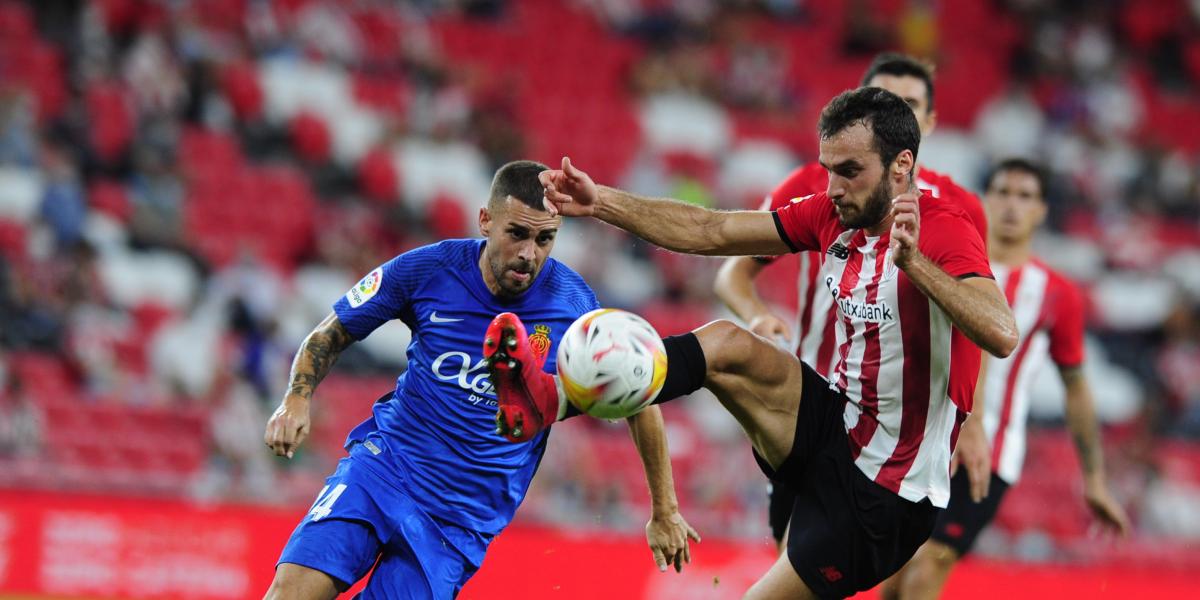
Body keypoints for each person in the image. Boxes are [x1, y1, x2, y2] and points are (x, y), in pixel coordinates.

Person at [493, 88, 1018, 599]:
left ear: (901, 166)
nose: (833, 187)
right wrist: (601, 201)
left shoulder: (944, 229)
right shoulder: (833, 215)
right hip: (836, 426)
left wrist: (915, 266)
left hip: (886, 494)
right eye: (829, 169)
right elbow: (713, 231)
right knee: (725, 343)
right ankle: (550, 399)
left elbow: (1001, 333)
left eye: (850, 171)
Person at [262, 160, 699, 599]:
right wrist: (295, 400)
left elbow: (639, 399)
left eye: (545, 239)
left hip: (460, 521)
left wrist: (665, 509)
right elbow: (333, 330)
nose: (530, 254)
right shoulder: (427, 269)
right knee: (291, 592)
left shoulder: (575, 306)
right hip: (383, 470)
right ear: (485, 221)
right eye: (518, 234)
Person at [713, 53, 990, 551]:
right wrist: (759, 316)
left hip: (901, 428)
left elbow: (981, 321)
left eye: (908, 105)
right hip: (815, 403)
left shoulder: (959, 211)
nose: (894, 111)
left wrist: (974, 419)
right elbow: (734, 270)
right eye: (882, 99)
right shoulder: (813, 187)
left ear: (925, 122)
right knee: (796, 556)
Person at [879, 159, 1131, 600]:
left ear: (1042, 210)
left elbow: (1076, 387)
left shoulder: (1057, 293)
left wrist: (1094, 478)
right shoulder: (945, 259)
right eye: (1003, 192)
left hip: (990, 454)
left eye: (1025, 196)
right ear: (986, 200)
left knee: (929, 566)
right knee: (892, 578)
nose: (1012, 205)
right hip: (918, 438)